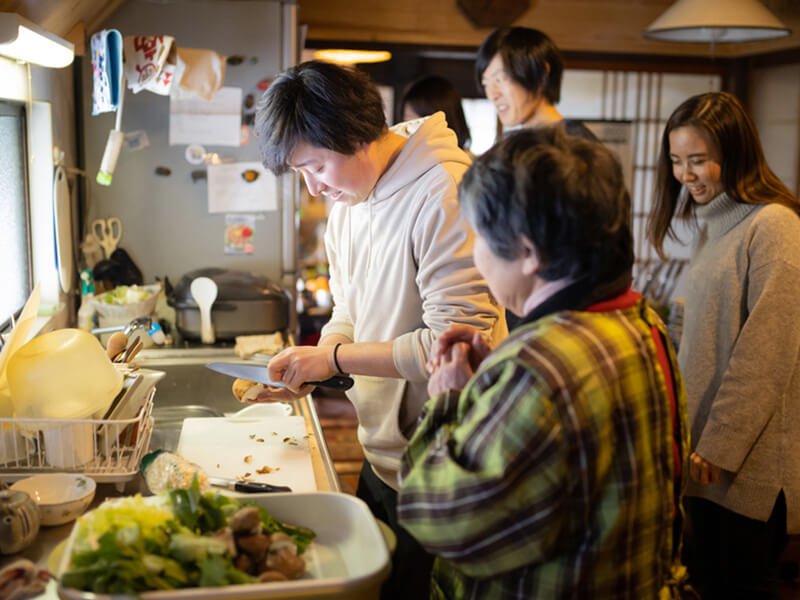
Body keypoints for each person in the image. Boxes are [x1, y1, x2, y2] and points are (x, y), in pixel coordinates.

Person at [397, 126, 690, 599]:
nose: (476, 255)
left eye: (479, 238)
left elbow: (438, 521)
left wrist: (450, 399)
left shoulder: (535, 368)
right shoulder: (641, 322)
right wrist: (495, 380)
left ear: (528, 252)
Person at [253, 60, 507, 600]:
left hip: (446, 461)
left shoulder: (445, 193)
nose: (314, 188)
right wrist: (318, 356)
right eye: (300, 173)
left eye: (315, 166)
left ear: (353, 135)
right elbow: (347, 307)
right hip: (383, 450)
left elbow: (456, 344)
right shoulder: (353, 196)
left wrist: (337, 362)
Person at [647, 90, 800, 599]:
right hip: (706, 457)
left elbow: (767, 350)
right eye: (675, 161)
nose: (685, 175)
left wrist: (720, 442)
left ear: (734, 155)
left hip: (745, 461)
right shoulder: (711, 229)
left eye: (698, 160)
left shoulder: (774, 225)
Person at [476, 26, 597, 141]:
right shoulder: (518, 142)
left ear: (541, 74)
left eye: (499, 79)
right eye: (486, 83)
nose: (492, 95)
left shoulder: (573, 142)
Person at [400, 74, 472, 152]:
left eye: (423, 119)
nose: (412, 128)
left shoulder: (464, 161)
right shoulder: (403, 158)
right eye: (408, 118)